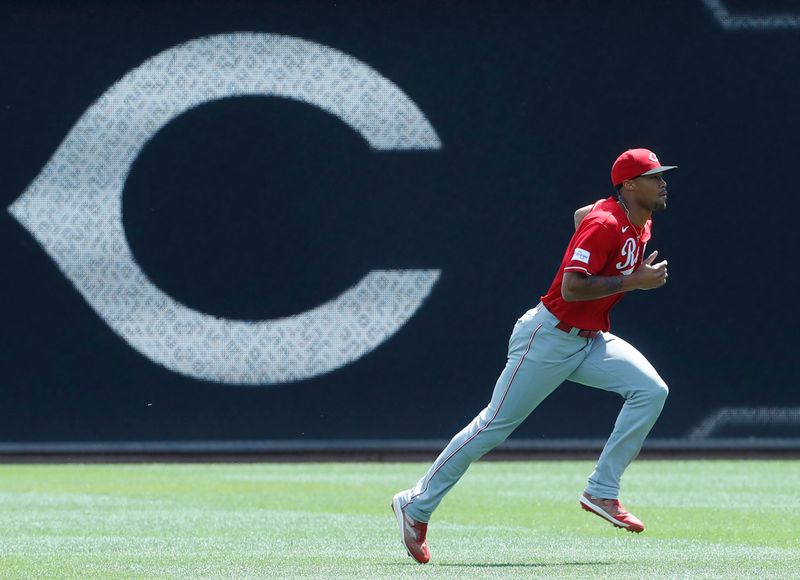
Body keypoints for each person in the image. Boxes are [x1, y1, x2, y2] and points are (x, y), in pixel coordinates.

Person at [391, 148, 677, 564]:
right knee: (492, 426)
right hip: (547, 339)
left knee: (651, 390)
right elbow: (572, 289)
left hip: (588, 339)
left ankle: (602, 490)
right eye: (653, 176)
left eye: (661, 175)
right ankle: (414, 503)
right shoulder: (607, 223)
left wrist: (609, 249)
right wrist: (633, 280)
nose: (663, 182)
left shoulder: (635, 218)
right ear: (629, 186)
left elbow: (582, 215)